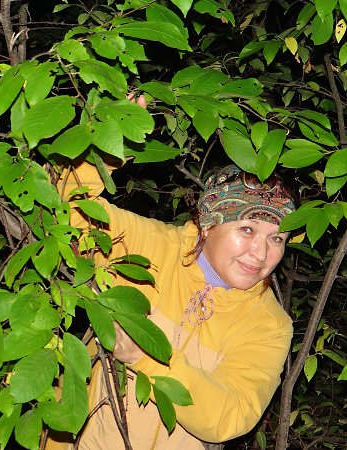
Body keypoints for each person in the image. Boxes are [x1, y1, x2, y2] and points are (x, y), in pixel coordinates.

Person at [47, 134, 296, 450]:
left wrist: (148, 359)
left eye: (277, 239)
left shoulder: (269, 324)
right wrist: (109, 142)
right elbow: (63, 209)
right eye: (247, 230)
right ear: (208, 224)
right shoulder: (149, 246)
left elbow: (231, 415)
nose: (261, 254)